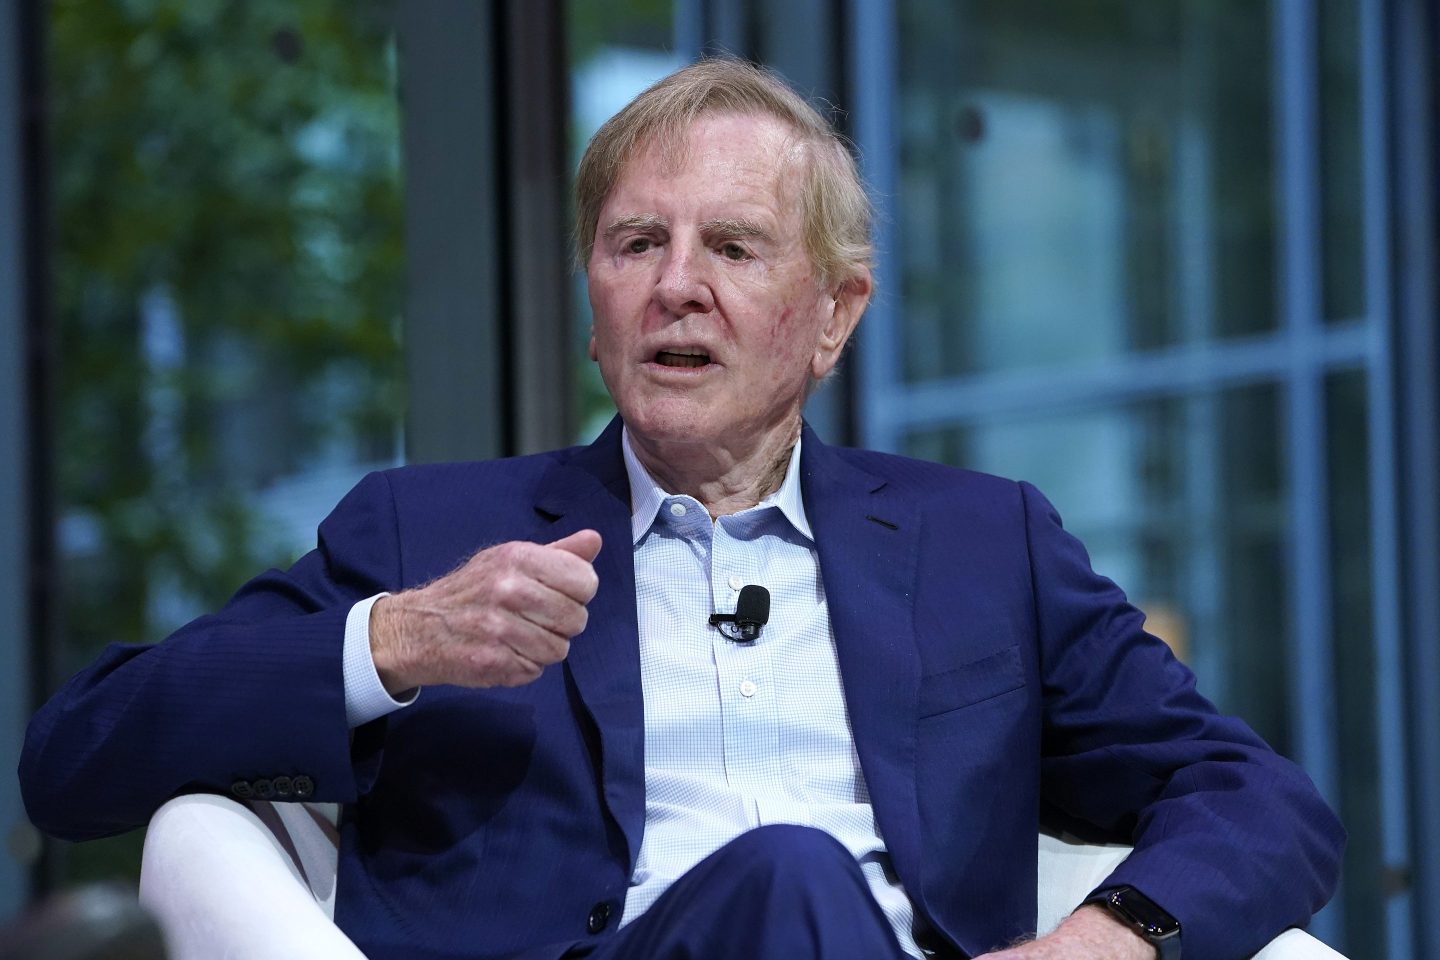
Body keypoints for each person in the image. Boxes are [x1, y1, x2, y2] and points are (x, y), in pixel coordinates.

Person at [21, 58, 1342, 960]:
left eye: (735, 247)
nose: (676, 288)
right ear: (595, 304)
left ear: (835, 315)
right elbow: (76, 762)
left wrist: (1113, 938)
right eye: (637, 245)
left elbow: (1261, 800)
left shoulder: (981, 547)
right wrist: (390, 643)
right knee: (791, 872)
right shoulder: (431, 536)